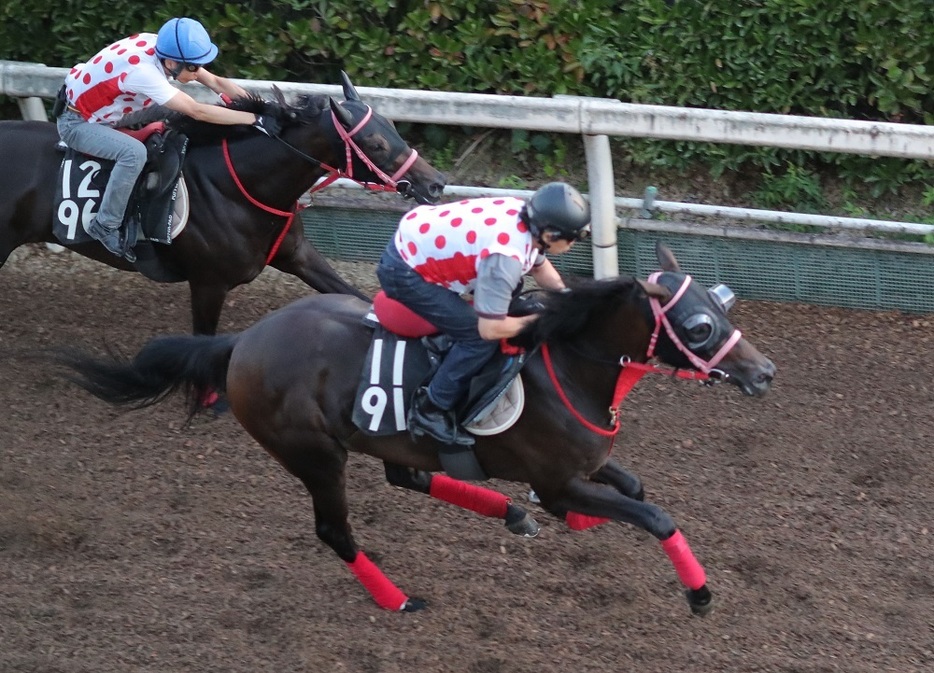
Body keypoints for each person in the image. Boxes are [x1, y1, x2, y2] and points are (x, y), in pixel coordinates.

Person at [376, 181, 591, 446]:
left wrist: (565, 298)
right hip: (404, 272)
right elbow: (488, 330)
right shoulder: (506, 258)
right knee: (476, 339)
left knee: (514, 289)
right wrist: (546, 321)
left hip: (419, 241)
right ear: (550, 235)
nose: (571, 245)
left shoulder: (527, 217)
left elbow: (539, 265)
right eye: (571, 239)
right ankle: (430, 408)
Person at [56, 17, 280, 263]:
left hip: (107, 108)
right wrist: (253, 120)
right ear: (172, 63)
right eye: (193, 68)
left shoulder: (163, 47)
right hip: (77, 123)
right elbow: (197, 111)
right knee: (134, 154)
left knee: (178, 111)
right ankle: (105, 224)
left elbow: (215, 82)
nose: (197, 73)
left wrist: (263, 108)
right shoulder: (144, 72)